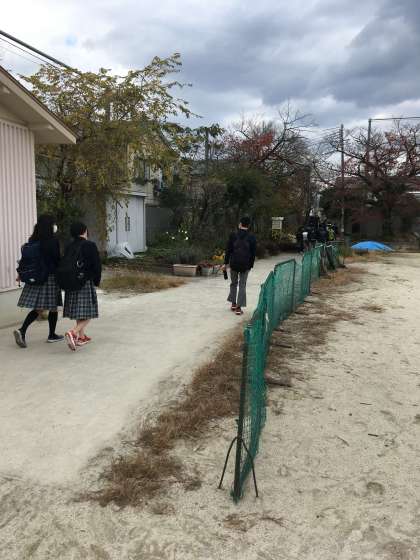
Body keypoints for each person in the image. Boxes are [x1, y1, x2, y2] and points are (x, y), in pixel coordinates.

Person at [13, 214, 63, 348]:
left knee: (39, 308)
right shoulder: (52, 241)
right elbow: (57, 259)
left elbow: (25, 260)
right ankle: (49, 335)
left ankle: (24, 331)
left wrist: (20, 274)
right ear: (50, 226)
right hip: (50, 278)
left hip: (36, 277)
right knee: (52, 307)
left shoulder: (33, 240)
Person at [63, 222, 102, 351]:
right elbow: (96, 265)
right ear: (84, 231)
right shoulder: (89, 245)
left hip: (70, 283)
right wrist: (96, 281)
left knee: (80, 311)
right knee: (89, 312)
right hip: (84, 282)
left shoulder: (69, 246)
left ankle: (81, 337)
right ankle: (73, 332)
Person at [222, 216, 256, 316]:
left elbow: (228, 250)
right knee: (242, 285)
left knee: (233, 283)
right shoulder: (252, 237)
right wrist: (250, 266)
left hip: (234, 264)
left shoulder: (233, 235)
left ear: (240, 224)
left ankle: (233, 304)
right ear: (248, 225)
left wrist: (225, 263)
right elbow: (253, 253)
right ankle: (238, 308)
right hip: (245, 265)